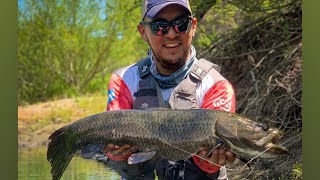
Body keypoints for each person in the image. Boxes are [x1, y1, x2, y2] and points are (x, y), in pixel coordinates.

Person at [81, 0, 236, 179]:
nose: (171, 34)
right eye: (159, 26)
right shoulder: (123, 80)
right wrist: (115, 150)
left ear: (192, 26)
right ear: (143, 32)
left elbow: (209, 164)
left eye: (180, 24)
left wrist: (213, 159)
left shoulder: (216, 86)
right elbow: (115, 153)